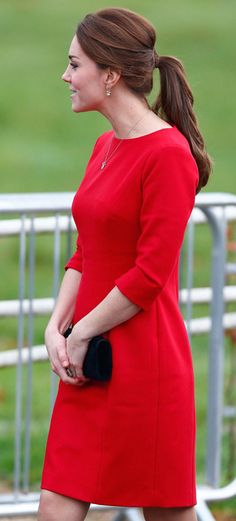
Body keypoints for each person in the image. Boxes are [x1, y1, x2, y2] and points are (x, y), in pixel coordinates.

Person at [38, 7, 212, 521]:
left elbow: (149, 275)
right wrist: (56, 327)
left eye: (75, 65)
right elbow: (85, 251)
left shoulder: (168, 154)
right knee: (54, 507)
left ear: (109, 74)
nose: (65, 77)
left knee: (165, 514)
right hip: (89, 364)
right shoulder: (103, 146)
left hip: (145, 370)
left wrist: (81, 333)